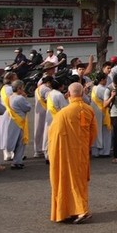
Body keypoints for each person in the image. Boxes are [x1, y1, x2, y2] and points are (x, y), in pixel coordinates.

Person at [49, 82, 96, 224]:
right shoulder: (88, 110)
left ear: (68, 95)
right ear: (82, 94)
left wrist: (54, 154)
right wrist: (85, 145)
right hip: (81, 153)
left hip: (66, 154)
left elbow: (53, 136)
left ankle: (79, 210)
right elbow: (93, 133)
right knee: (79, 181)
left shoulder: (63, 114)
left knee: (68, 181)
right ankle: (78, 209)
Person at [4, 80, 32, 169]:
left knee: (16, 141)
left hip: (13, 120)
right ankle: (17, 161)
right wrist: (25, 97)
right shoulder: (20, 98)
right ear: (19, 88)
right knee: (20, 142)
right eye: (22, 88)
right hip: (19, 122)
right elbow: (28, 107)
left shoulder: (10, 97)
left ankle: (17, 160)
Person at [32, 75, 52, 158]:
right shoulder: (46, 89)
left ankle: (37, 149)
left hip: (39, 112)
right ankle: (44, 150)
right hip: (45, 111)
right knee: (45, 131)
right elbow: (50, 99)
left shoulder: (38, 88)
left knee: (38, 130)